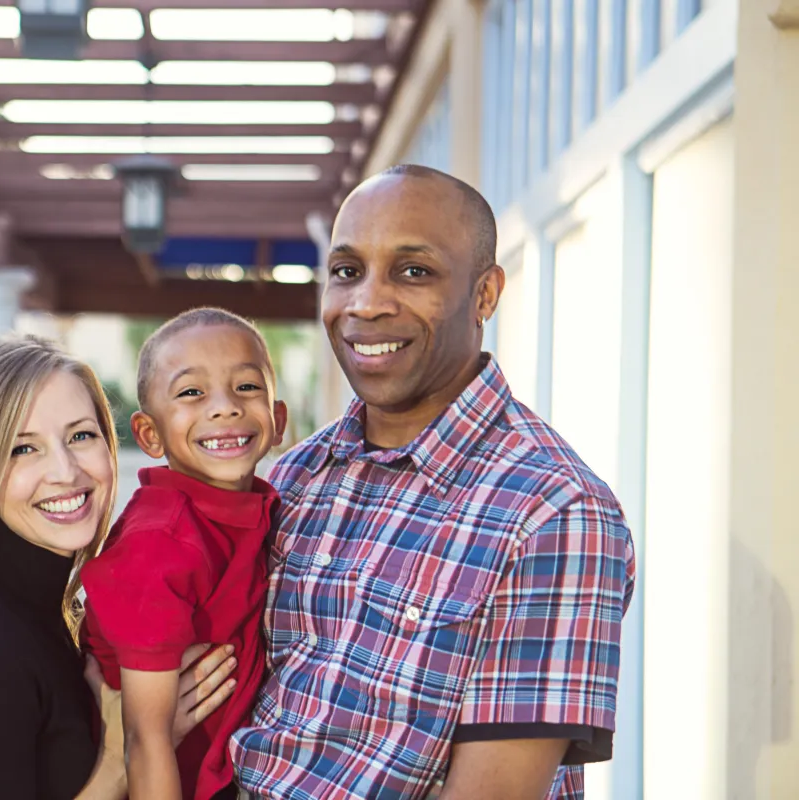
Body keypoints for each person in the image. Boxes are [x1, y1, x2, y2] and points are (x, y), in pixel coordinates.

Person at [231, 165, 637, 799]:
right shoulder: (291, 482)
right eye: (346, 272)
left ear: (484, 295)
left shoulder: (555, 513)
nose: (366, 303)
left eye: (413, 271)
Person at [0, 336, 238, 799]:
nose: (66, 471)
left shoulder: (48, 611)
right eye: (22, 449)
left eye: (80, 436)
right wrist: (124, 755)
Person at [80, 309, 287, 800]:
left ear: (278, 420)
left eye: (247, 387)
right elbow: (145, 740)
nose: (225, 407)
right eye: (192, 392)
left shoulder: (256, 506)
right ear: (150, 435)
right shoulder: (161, 543)